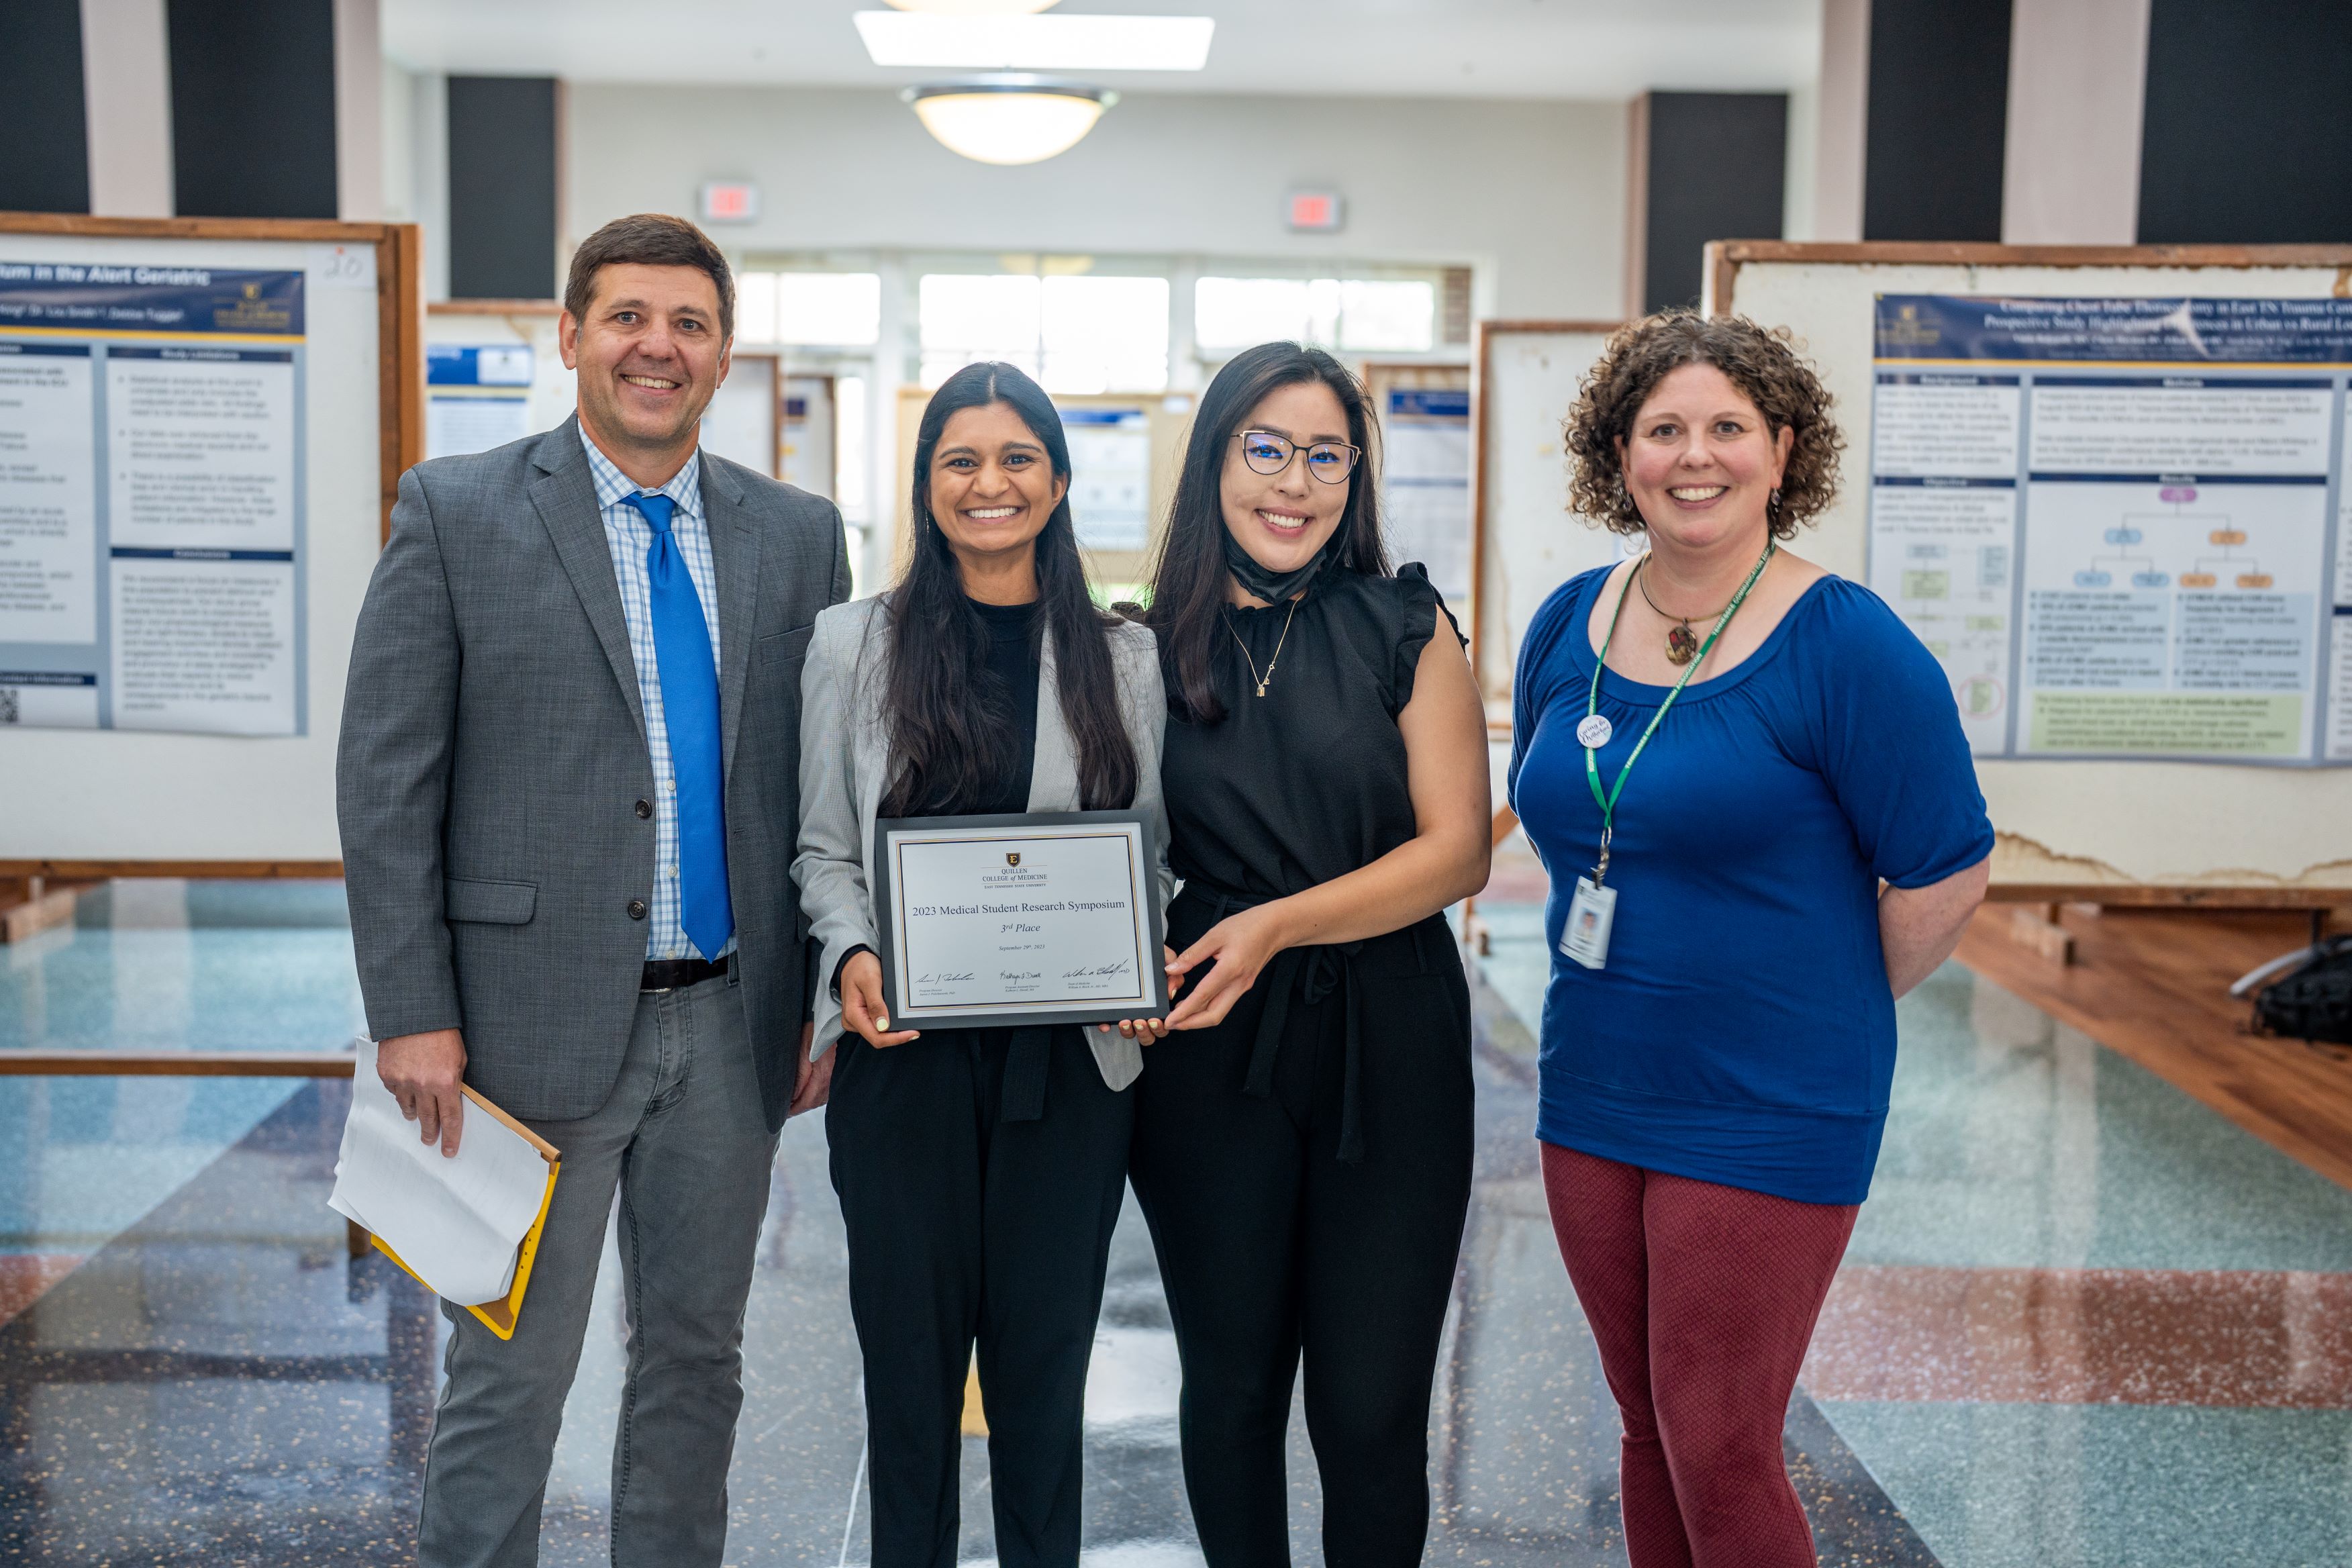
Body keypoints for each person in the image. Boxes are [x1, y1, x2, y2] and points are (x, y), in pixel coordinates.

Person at [337, 212, 848, 1568]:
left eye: (688, 322)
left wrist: (820, 995)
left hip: (734, 1035)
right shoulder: (456, 514)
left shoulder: (798, 539)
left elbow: (819, 792)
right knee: (510, 1383)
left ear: (724, 354)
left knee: (696, 1369)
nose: (656, 347)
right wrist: (411, 1008)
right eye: (627, 316)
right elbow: (387, 783)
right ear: (569, 336)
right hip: (516, 1035)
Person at [1508, 310, 1992, 1567]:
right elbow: (1566, 823)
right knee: (1646, 1425)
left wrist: (1817, 1002)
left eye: (1728, 427)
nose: (1695, 456)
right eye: (1664, 429)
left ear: (1783, 451)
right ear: (1621, 456)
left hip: (1773, 1097)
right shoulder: (1569, 622)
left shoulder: (1847, 644)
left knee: (1722, 1435)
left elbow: (1947, 864)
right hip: (1598, 1085)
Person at [793, 362, 1173, 1568]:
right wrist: (852, 948)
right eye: (961, 459)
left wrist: (1142, 953)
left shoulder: (1125, 658)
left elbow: (1151, 854)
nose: (990, 482)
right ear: (925, 485)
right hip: (903, 1066)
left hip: (1067, 1076)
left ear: (1060, 483)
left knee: (1043, 1387)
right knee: (909, 1391)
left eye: (1018, 459)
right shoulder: (852, 645)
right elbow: (820, 846)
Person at [1126, 342, 1491, 1566]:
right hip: (1207, 1038)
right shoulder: (1136, 645)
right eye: (1265, 449)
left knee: (1371, 1406)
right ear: (1215, 460)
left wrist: (1281, 921)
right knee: (1230, 1389)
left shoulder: (1404, 623)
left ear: (1355, 473)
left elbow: (1456, 855)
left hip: (1390, 1032)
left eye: (1326, 454)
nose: (1296, 482)